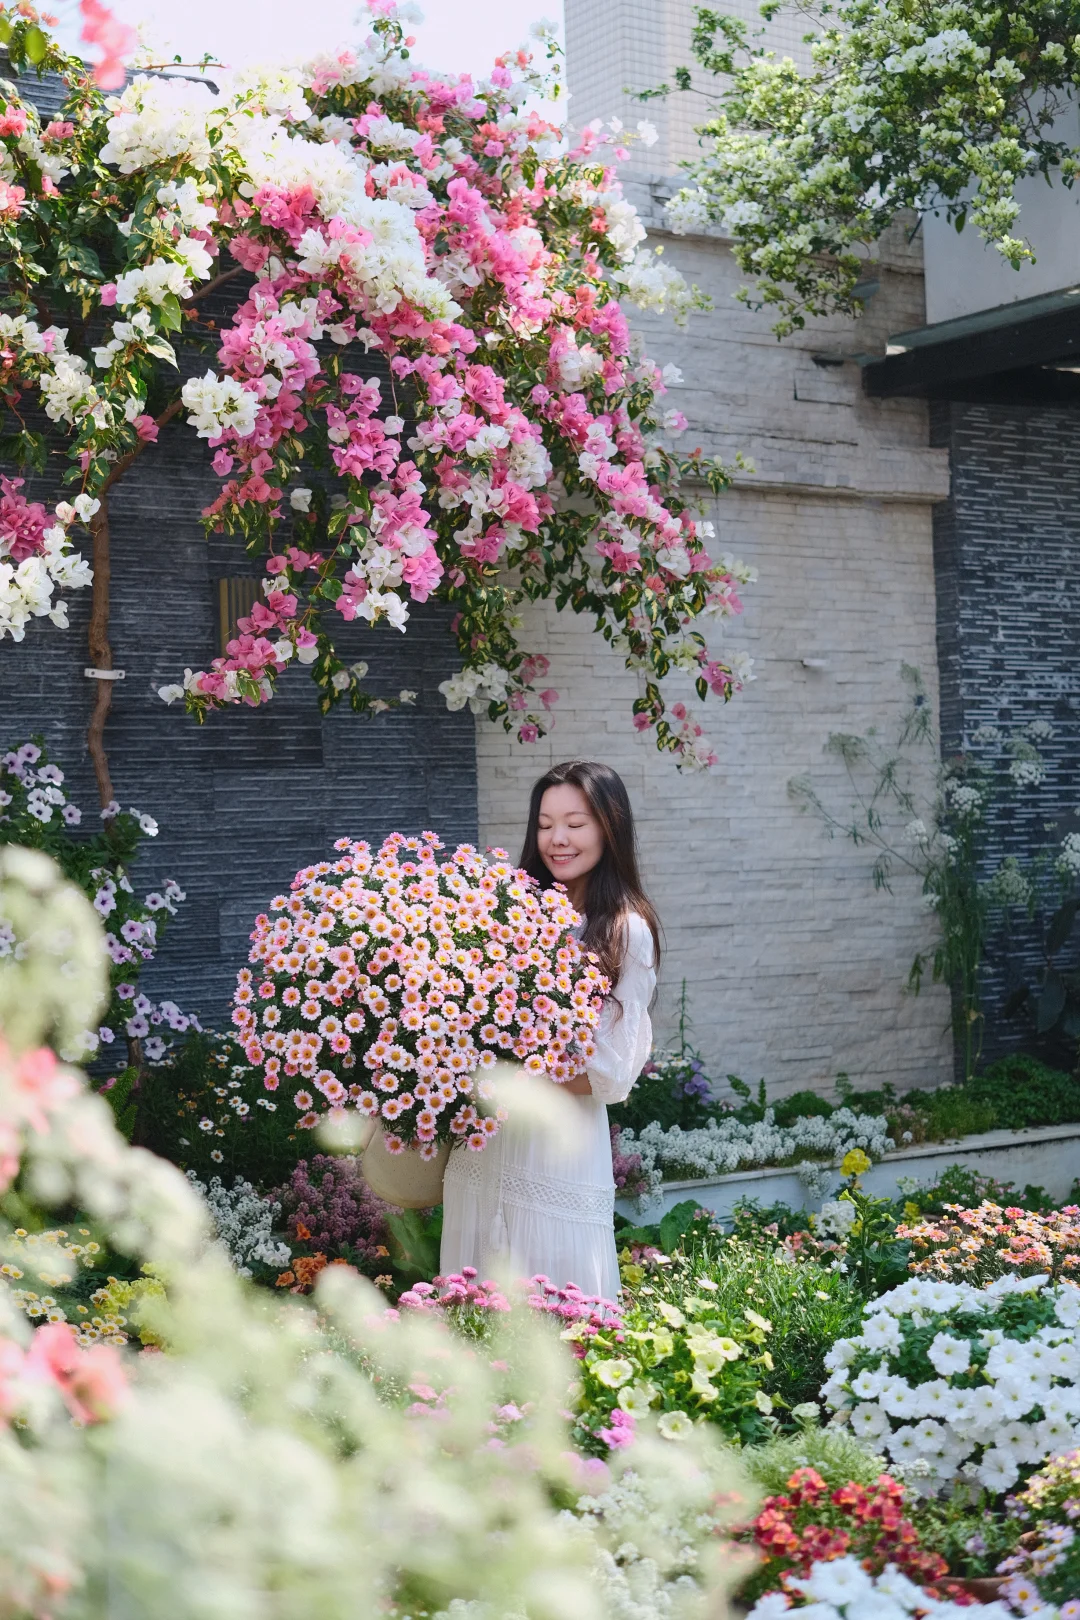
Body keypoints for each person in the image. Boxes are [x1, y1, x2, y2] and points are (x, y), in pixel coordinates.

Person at [440, 760, 660, 1298]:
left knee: (559, 1315)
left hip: (557, 1149)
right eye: (544, 824)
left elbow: (608, 1073)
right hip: (485, 1145)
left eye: (575, 823)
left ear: (610, 828)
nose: (556, 839)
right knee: (474, 1306)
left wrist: (502, 1076)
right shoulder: (507, 911)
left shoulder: (624, 930)